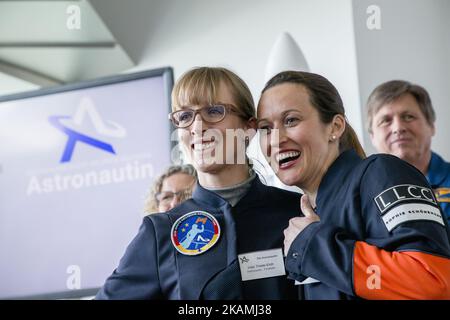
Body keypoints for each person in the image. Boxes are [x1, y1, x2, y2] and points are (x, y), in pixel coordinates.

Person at [95, 67, 301, 300]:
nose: (197, 127)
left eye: (214, 111)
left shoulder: (296, 212)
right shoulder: (160, 232)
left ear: (249, 128)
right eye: (184, 116)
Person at [257, 71, 450, 300]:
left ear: (335, 127)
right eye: (265, 128)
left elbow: (431, 282)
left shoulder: (381, 172)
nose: (276, 139)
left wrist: (315, 246)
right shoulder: (307, 215)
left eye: (291, 120)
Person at [367, 80, 450, 222]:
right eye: (386, 120)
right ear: (372, 136)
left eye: (408, 116)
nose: (398, 128)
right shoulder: (359, 196)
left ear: (431, 125)